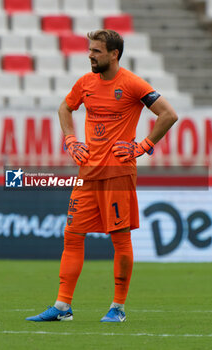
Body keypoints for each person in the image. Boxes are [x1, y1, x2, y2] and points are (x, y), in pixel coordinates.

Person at [26, 29, 178, 323]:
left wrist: (143, 146)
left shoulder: (132, 84)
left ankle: (117, 308)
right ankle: (62, 307)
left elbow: (168, 114)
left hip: (117, 174)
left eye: (96, 51)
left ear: (113, 54)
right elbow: (64, 108)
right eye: (90, 50)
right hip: (87, 174)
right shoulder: (85, 83)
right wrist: (70, 140)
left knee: (119, 240)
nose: (90, 55)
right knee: (72, 236)